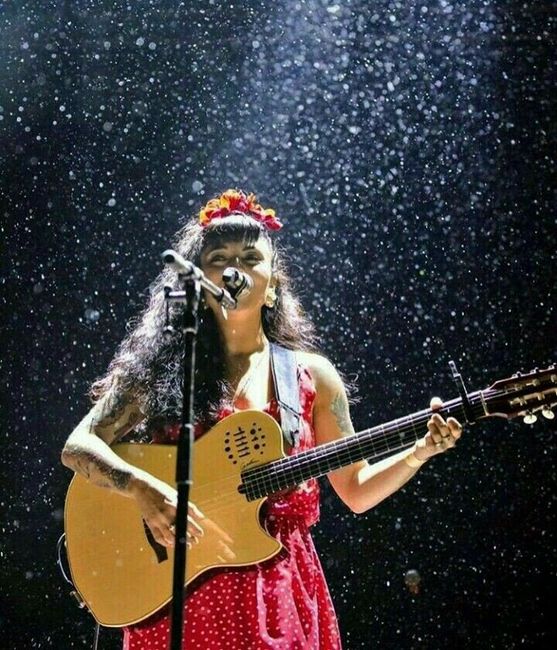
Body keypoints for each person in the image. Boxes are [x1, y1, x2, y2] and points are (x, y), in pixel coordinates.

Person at [61, 189, 462, 650]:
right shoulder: (160, 371)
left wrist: (418, 452)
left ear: (272, 285)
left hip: (281, 597)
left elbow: (355, 490)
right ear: (198, 282)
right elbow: (79, 445)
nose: (235, 267)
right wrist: (141, 488)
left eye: (251, 258)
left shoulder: (312, 377)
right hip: (178, 591)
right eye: (218, 258)